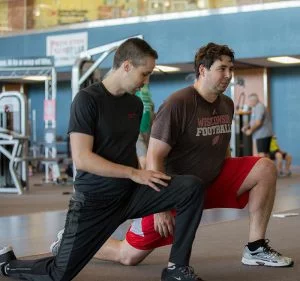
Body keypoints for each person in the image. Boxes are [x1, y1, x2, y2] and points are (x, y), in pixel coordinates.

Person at [50, 42, 293, 269]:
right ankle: (69, 242)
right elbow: (154, 155)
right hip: (177, 189)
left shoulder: (226, 105)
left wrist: (234, 176)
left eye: (231, 68)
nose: (229, 74)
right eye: (222, 69)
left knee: (264, 167)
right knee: (129, 255)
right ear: (203, 70)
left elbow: (222, 148)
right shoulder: (178, 103)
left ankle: (255, 247)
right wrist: (160, 207)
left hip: (211, 179)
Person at [0, 38, 207, 281]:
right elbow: (82, 158)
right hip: (95, 200)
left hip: (130, 194)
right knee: (59, 274)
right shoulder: (87, 100)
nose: (145, 82)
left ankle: (176, 269)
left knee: (191, 187)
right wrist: (133, 173)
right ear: (127, 66)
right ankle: (8, 266)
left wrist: (152, 186)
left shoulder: (135, 104)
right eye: (144, 74)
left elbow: (131, 147)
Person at [242, 93, 273, 157]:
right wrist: (247, 126)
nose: (249, 103)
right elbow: (253, 121)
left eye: (250, 101)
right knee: (264, 154)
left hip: (263, 135)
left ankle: (264, 167)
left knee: (262, 154)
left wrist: (250, 130)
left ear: (254, 101)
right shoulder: (255, 107)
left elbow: (258, 122)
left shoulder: (259, 107)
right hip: (261, 135)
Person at [136, 84, 155, 168]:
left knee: (145, 158)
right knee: (143, 159)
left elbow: (151, 109)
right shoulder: (133, 90)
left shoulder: (145, 91)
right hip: (137, 131)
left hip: (147, 129)